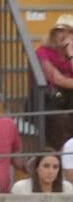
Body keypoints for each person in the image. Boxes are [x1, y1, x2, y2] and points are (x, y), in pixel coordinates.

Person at [37, 17, 73, 150]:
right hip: (49, 99)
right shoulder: (43, 51)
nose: (64, 35)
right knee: (59, 121)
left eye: (69, 32)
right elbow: (57, 79)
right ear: (53, 34)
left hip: (68, 98)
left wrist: (70, 53)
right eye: (60, 31)